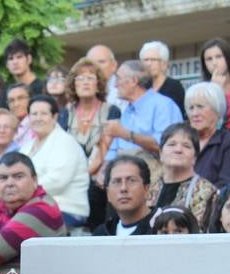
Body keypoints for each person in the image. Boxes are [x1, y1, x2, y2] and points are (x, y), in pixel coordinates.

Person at [0, 152, 65, 274]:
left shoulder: (43, 209)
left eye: (18, 177)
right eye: (3, 178)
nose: (10, 183)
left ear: (35, 180)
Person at [59, 57, 121, 229]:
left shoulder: (110, 111)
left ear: (98, 83)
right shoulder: (65, 113)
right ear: (73, 84)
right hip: (70, 174)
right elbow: (62, 149)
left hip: (96, 175)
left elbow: (103, 151)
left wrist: (81, 176)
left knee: (94, 191)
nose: (85, 82)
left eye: (90, 78)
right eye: (80, 78)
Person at [21, 95, 90, 231]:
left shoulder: (65, 142)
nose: (38, 118)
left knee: (16, 230)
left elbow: (56, 182)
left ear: (55, 117)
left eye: (44, 114)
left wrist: (21, 192)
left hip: (66, 209)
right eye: (34, 114)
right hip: (32, 208)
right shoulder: (27, 147)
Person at [104, 60, 183, 161]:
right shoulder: (126, 110)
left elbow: (167, 146)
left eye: (118, 79)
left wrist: (125, 134)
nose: (115, 85)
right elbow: (112, 151)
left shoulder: (164, 106)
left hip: (155, 172)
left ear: (134, 81)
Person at [148, 123, 217, 227]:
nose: (178, 150)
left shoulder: (206, 190)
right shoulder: (148, 187)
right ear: (161, 153)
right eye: (172, 144)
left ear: (195, 157)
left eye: (186, 146)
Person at [186, 81, 230, 188]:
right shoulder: (183, 142)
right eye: (191, 108)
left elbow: (227, 185)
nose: (194, 113)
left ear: (217, 110)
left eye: (200, 107)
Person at [94, 155, 153, 236]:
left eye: (131, 180)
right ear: (108, 193)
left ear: (146, 189)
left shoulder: (163, 227)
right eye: (117, 181)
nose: (123, 188)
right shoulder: (101, 235)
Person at [200, 37, 230, 130]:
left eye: (219, 57)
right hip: (221, 138)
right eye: (209, 59)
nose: (214, 63)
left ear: (228, 58)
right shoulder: (201, 91)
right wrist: (215, 91)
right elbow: (209, 124)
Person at [139, 41, 185, 115]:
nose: (148, 64)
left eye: (153, 60)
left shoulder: (174, 86)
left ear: (164, 63)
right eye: (145, 60)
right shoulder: (142, 87)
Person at [86, 44, 124, 110]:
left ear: (114, 65)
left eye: (101, 62)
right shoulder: (79, 90)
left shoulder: (125, 87)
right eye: (91, 63)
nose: (96, 66)